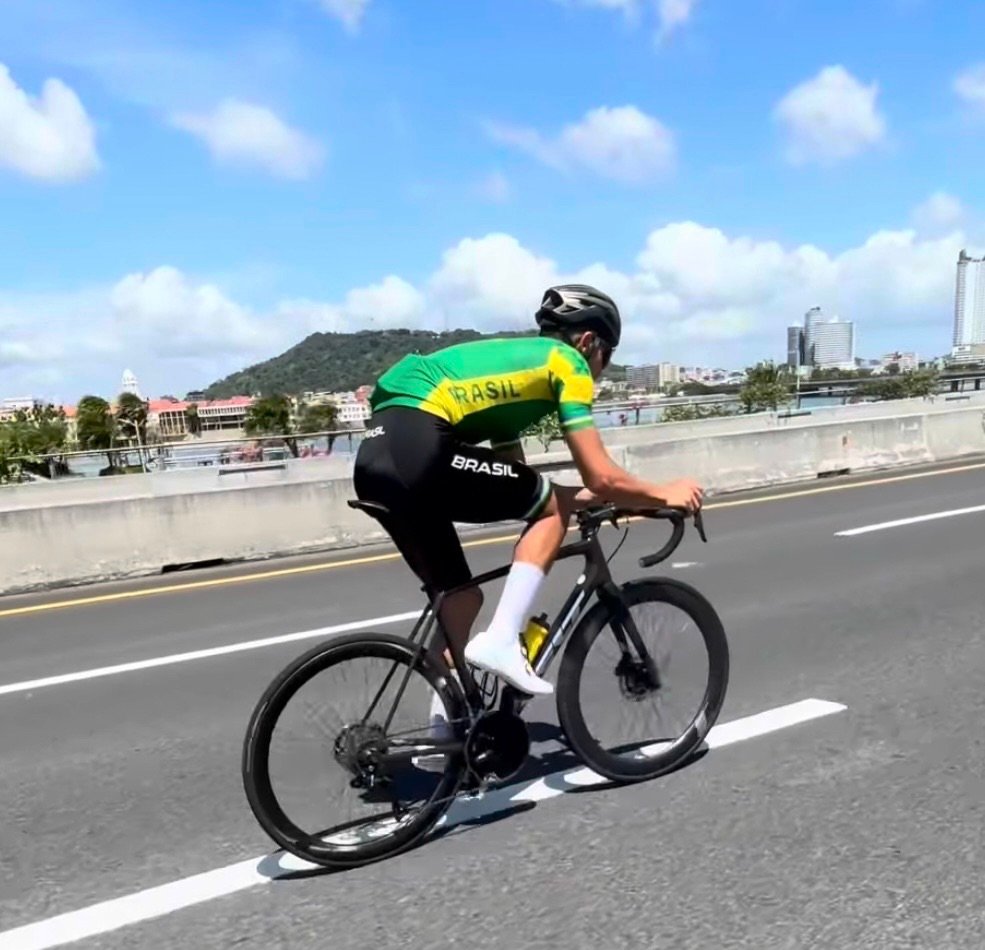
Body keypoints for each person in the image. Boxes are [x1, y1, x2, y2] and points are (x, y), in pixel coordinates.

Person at [353, 284, 703, 702]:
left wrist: (596, 498)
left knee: (462, 598)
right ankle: (502, 640)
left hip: (376, 459)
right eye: (607, 357)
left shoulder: (513, 384)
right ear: (588, 341)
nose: (601, 369)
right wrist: (664, 494)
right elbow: (600, 477)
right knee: (551, 510)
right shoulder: (567, 361)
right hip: (418, 448)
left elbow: (514, 481)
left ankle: (445, 734)